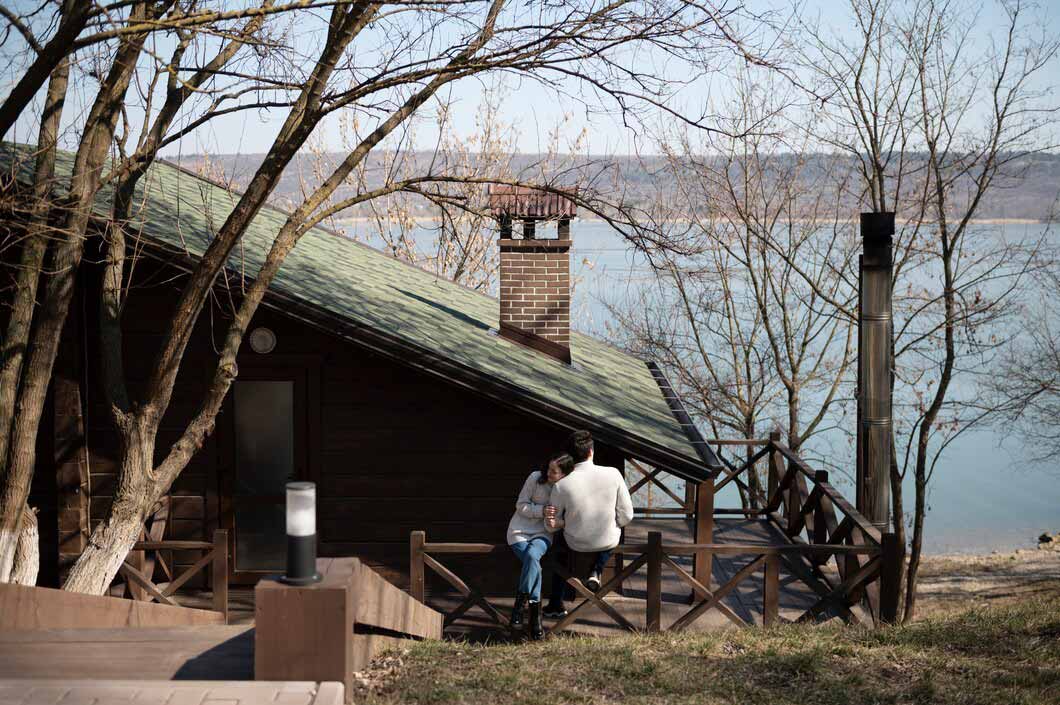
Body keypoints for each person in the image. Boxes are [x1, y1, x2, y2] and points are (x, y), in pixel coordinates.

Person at [543, 430, 634, 618]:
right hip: (606, 541)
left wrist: (563, 522)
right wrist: (614, 523)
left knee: (559, 551)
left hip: (575, 544)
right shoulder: (613, 473)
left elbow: (550, 525)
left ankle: (555, 603)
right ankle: (597, 570)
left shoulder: (561, 485)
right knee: (611, 531)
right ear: (591, 451)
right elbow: (627, 516)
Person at [506, 451, 574, 639]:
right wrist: (542, 511)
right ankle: (535, 618)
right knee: (533, 562)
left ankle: (519, 606)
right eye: (549, 469)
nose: (549, 474)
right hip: (519, 531)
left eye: (554, 472)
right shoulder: (535, 478)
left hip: (543, 534)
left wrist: (553, 521)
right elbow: (521, 505)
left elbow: (561, 520)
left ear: (565, 474)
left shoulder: (566, 491)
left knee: (532, 557)